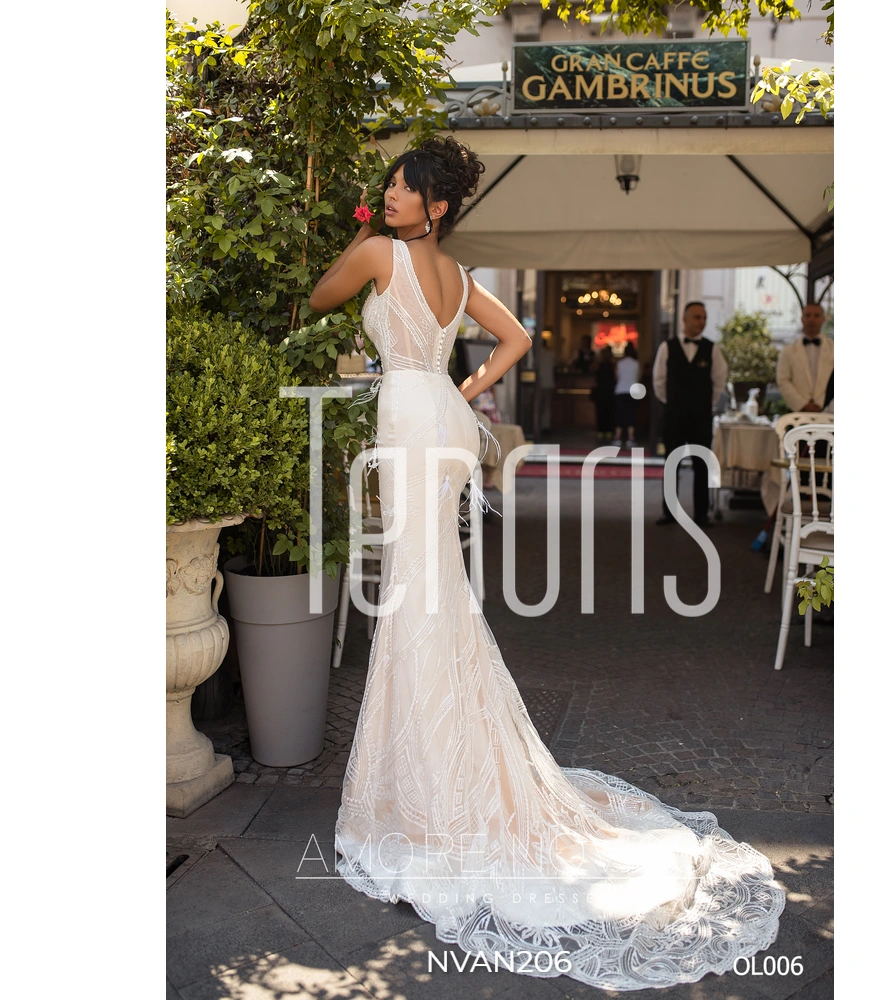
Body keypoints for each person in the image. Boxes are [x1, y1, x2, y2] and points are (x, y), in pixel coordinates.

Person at [308, 136, 782, 991]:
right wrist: (462, 390)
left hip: (410, 419)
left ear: (435, 205)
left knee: (418, 592)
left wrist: (356, 236)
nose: (388, 193)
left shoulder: (377, 252)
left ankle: (424, 788)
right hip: (443, 418)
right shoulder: (458, 276)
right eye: (388, 185)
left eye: (401, 186)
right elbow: (517, 338)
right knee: (434, 589)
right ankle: (435, 768)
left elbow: (318, 297)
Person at [652, 302, 728, 526]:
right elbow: (659, 382)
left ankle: (701, 514)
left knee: (701, 465)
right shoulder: (667, 347)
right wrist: (674, 402)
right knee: (671, 464)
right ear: (684, 320)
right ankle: (669, 512)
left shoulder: (712, 349)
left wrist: (704, 404)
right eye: (697, 317)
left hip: (701, 416)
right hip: (674, 415)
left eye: (704, 318)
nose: (701, 322)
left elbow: (719, 381)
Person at [776, 303, 834, 413]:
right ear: (802, 319)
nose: (812, 319)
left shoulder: (833, 348)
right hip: (798, 412)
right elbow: (783, 380)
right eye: (808, 315)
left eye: (816, 315)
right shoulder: (788, 350)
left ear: (823, 319)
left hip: (829, 410)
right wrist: (802, 404)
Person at [611, 342, 640, 447]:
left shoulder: (620, 363)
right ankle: (630, 437)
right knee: (631, 414)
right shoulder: (636, 364)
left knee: (620, 414)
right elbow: (638, 377)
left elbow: (616, 377)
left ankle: (617, 437)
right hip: (633, 391)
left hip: (620, 390)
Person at [590, 346, 616, 441]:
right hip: (609, 391)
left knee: (601, 412)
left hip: (601, 391)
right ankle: (609, 431)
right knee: (609, 412)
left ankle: (601, 431)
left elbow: (591, 370)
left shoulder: (599, 365)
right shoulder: (612, 365)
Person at [535, 335, 556, 435]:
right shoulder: (551, 354)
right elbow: (555, 367)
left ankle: (536, 426)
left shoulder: (536, 355)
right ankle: (545, 426)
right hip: (548, 383)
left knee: (537, 406)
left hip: (538, 383)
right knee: (546, 406)